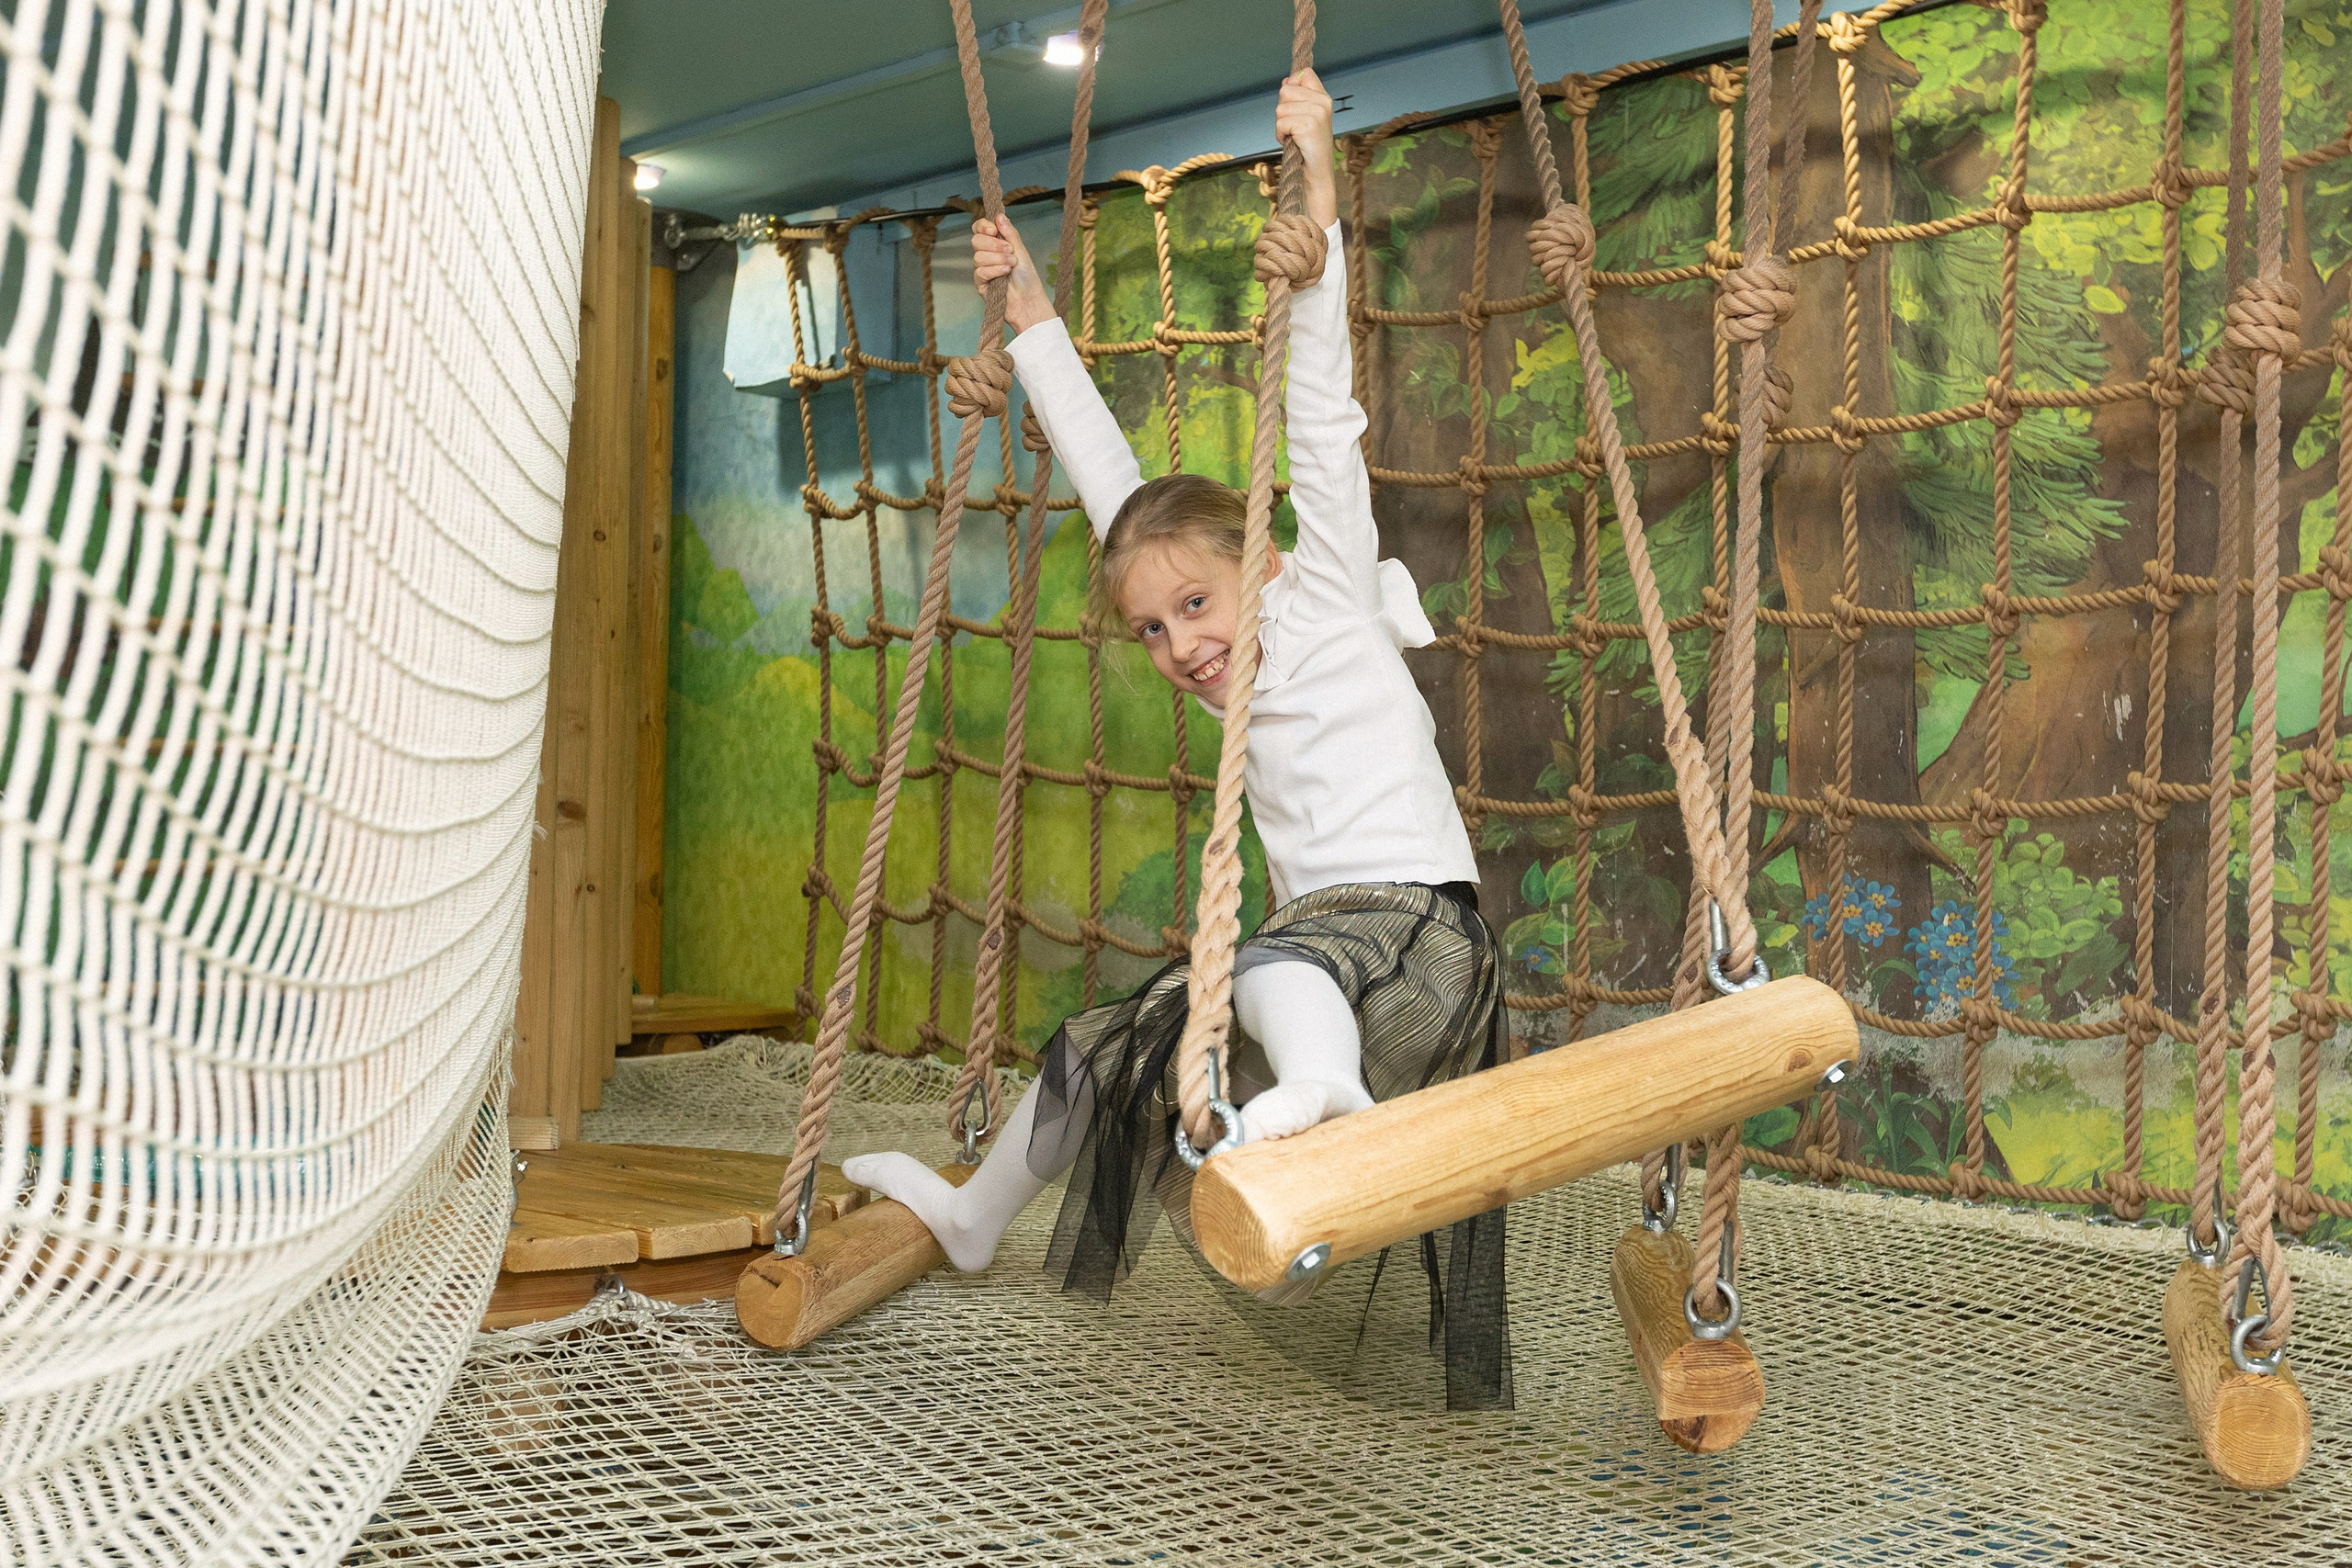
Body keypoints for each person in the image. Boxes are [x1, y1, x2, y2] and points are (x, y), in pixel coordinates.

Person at [843, 70, 1510, 1409]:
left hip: (1420, 951)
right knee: (1107, 1048)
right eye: (1152, 631)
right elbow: (1113, 489)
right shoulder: (1213, 657)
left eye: (1196, 605)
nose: (1182, 645)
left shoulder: (1318, 595)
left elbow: (1321, 423)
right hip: (1317, 970)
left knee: (1263, 959)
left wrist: (1315, 197)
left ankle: (1321, 1099)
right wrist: (1032, 323)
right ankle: (978, 1216)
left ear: (1257, 568)